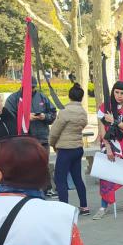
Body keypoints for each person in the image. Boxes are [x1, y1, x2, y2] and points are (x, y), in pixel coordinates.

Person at [93, 81, 123, 220]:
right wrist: (107, 148)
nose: (119, 95)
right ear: (113, 92)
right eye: (117, 92)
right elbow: (102, 130)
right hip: (110, 147)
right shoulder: (104, 107)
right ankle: (103, 207)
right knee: (106, 177)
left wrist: (115, 121)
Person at [5, 78, 58, 196]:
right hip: (23, 139)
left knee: (43, 163)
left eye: (34, 87)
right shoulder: (13, 99)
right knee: (27, 165)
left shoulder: (42, 97)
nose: (32, 89)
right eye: (30, 87)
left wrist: (45, 116)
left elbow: (53, 113)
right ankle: (29, 189)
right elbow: (8, 118)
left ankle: (47, 188)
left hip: (42, 137)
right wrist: (24, 118)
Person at [48, 83, 89, 215]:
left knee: (60, 179)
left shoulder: (65, 112)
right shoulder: (83, 112)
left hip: (65, 149)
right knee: (78, 178)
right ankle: (84, 206)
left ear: (69, 96)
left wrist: (52, 143)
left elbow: (55, 131)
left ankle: (64, 208)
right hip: (78, 148)